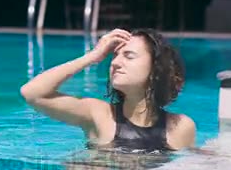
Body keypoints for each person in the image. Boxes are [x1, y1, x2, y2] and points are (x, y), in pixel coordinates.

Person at [20, 28, 196, 153]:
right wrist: (91, 57)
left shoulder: (180, 127)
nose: (115, 63)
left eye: (128, 56)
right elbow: (32, 93)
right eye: (114, 56)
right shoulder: (98, 115)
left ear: (155, 69)